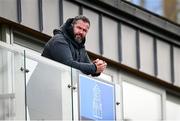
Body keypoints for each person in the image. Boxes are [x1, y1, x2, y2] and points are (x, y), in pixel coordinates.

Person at [42, 15, 107, 76]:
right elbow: (68, 64)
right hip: (45, 81)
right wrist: (94, 67)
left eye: (84, 30)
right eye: (79, 28)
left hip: (62, 84)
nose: (81, 32)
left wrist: (98, 66)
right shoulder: (59, 39)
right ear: (72, 26)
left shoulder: (80, 47)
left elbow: (88, 68)